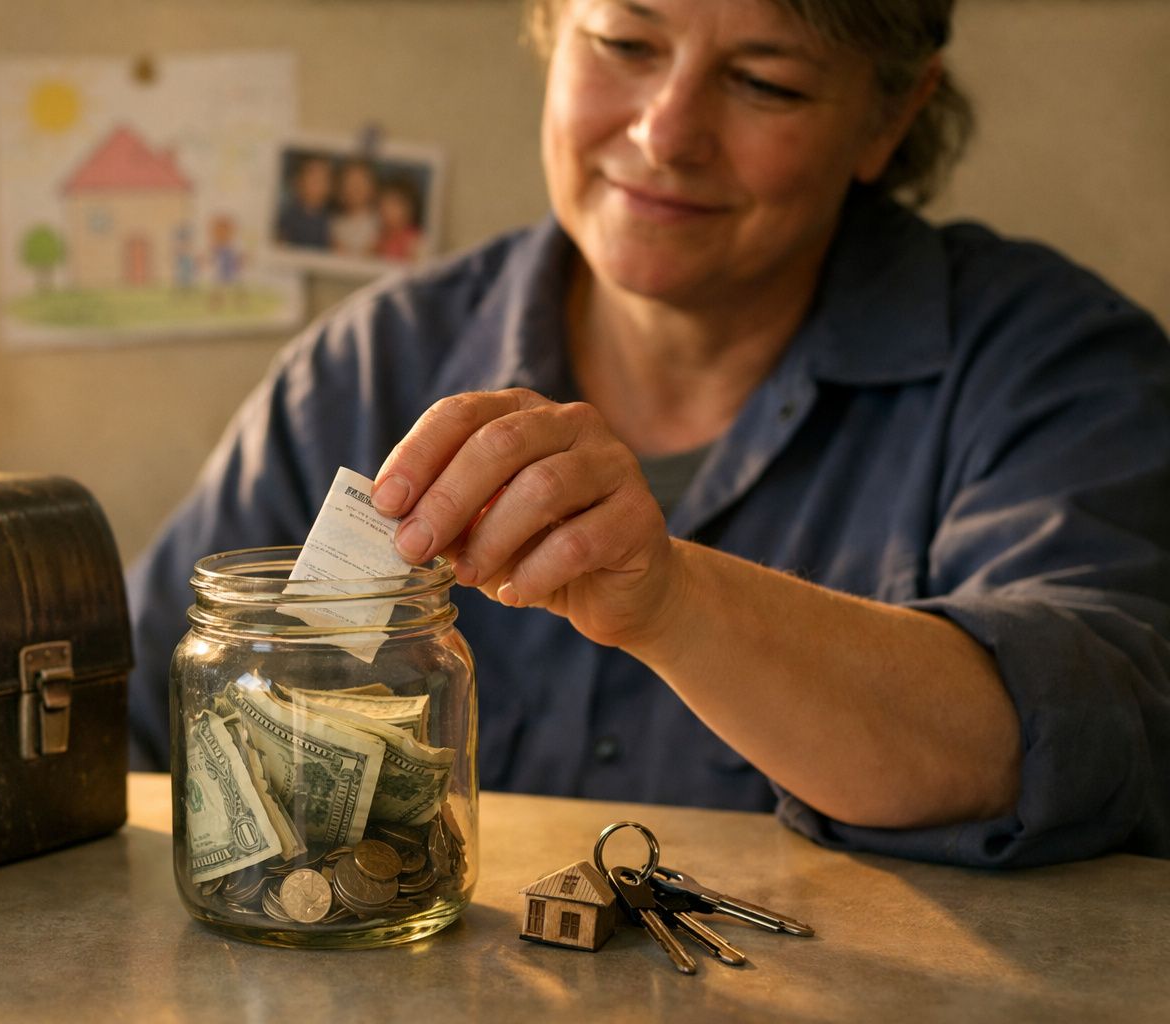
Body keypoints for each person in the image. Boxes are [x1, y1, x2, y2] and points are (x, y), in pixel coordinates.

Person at [127, 0, 1170, 868]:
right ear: (550, 26)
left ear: (890, 117)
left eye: (768, 83)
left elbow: (1088, 736)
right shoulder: (366, 371)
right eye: (625, 43)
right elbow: (125, 717)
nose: (667, 133)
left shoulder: (1057, 371)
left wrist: (673, 601)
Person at [275, 154, 334, 250]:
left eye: (323, 179)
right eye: (313, 178)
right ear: (299, 182)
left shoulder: (331, 219)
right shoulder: (288, 218)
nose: (318, 185)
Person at [330, 158, 383, 257]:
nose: (355, 189)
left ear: (372, 188)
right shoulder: (335, 223)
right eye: (349, 183)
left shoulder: (380, 222)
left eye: (361, 182)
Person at [375, 177, 423, 263]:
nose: (386, 209)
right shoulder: (378, 236)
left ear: (409, 209)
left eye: (394, 204)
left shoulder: (415, 241)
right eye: (383, 203)